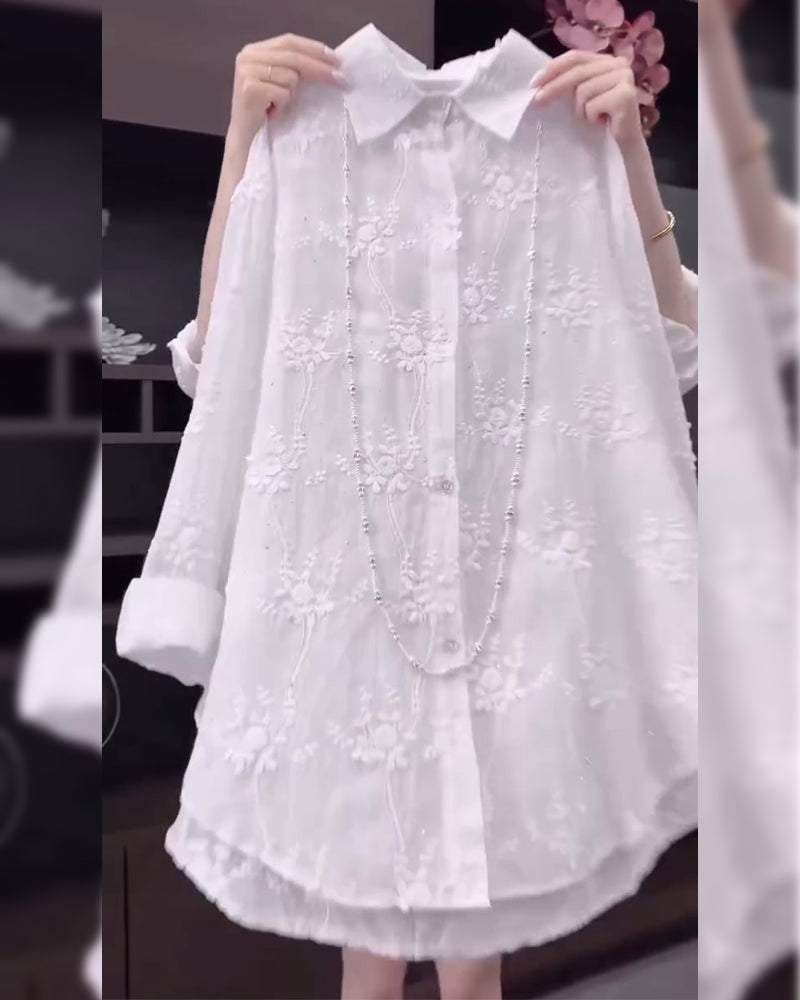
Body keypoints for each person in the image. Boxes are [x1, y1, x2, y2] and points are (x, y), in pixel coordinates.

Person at [169, 32, 697, 1000]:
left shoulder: (568, 136)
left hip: (514, 593)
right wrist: (244, 143)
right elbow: (219, 352)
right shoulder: (304, 129)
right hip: (342, 595)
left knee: (474, 945)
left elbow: (672, 351)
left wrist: (628, 157)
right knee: (366, 948)